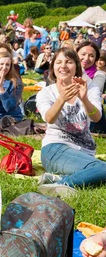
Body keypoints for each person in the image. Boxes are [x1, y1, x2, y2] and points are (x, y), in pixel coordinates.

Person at [35, 48, 104, 197]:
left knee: (100, 169)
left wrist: (84, 99)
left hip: (85, 152)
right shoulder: (46, 93)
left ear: (77, 67)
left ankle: (58, 179)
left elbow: (96, 118)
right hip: (54, 149)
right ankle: (61, 185)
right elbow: (49, 118)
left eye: (69, 62)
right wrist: (61, 100)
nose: (63, 66)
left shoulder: (90, 89)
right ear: (53, 67)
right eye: (59, 62)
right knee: (103, 170)